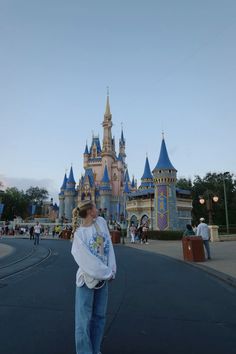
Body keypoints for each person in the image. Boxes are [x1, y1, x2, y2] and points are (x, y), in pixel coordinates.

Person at [71, 200, 117, 354]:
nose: (98, 209)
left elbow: (108, 246)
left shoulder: (101, 223)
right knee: (83, 321)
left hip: (103, 280)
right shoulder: (79, 234)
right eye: (95, 207)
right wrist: (106, 272)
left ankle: (95, 350)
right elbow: (87, 262)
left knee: (99, 317)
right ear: (90, 211)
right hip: (87, 281)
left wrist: (112, 269)